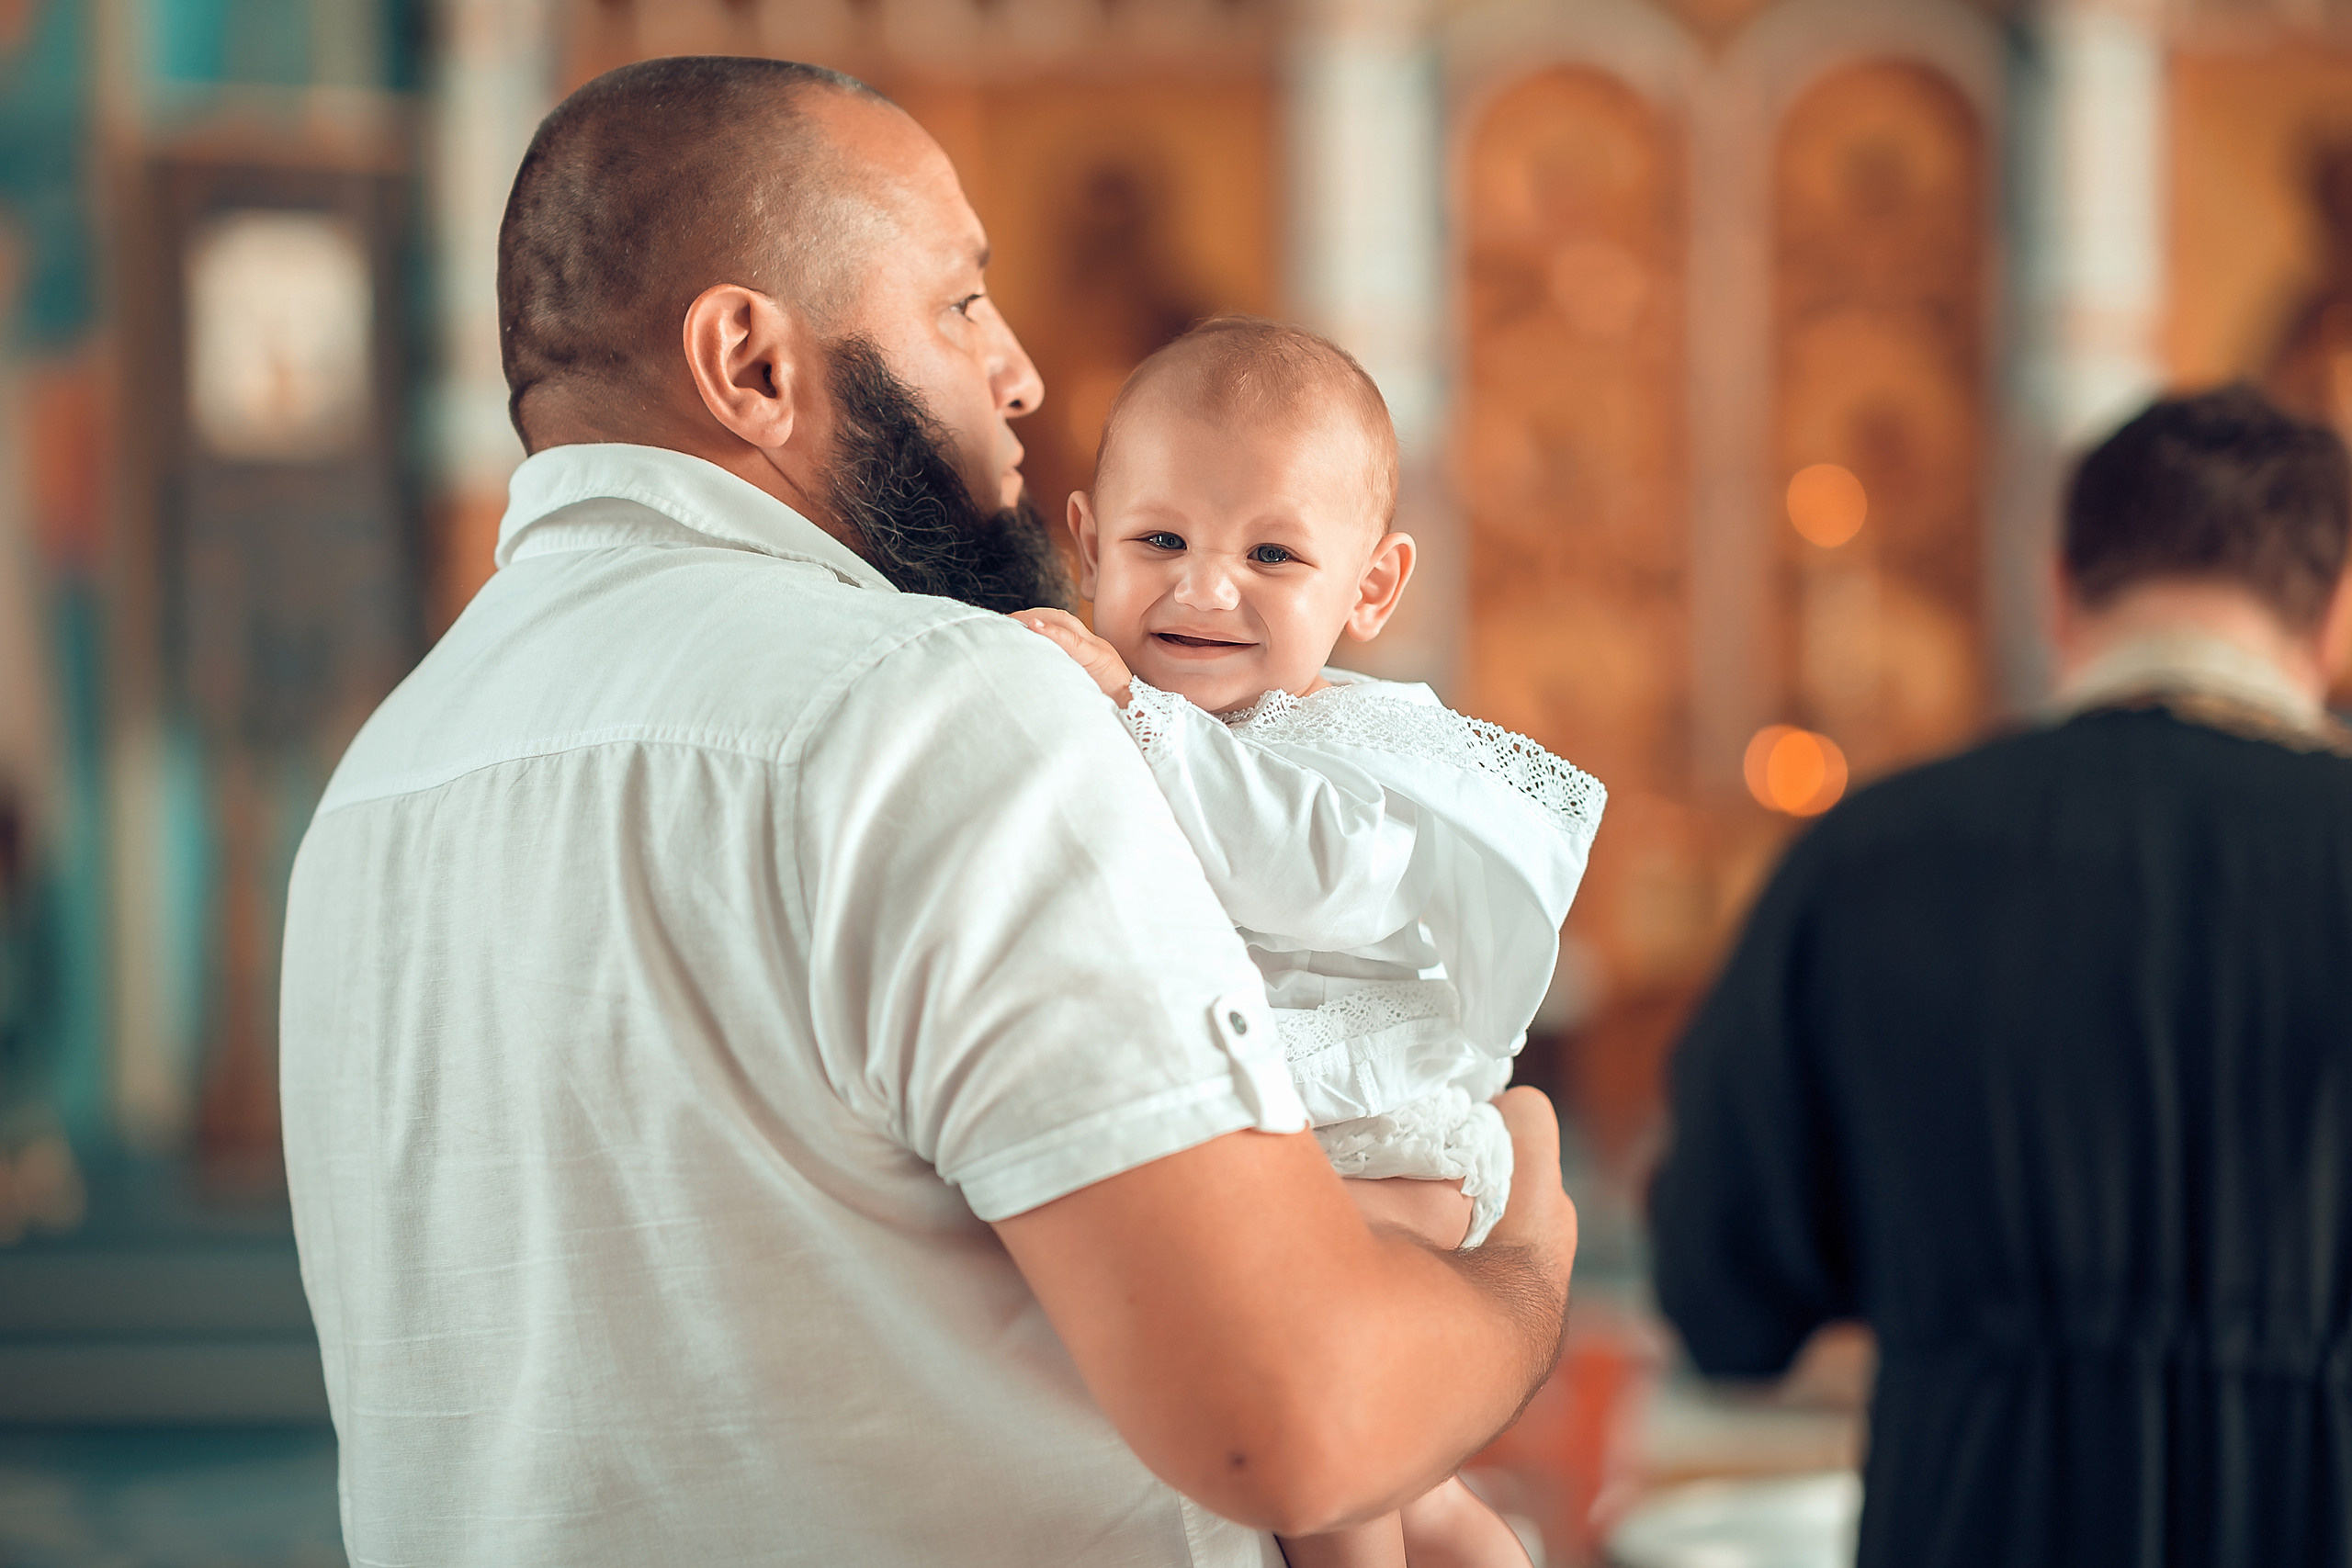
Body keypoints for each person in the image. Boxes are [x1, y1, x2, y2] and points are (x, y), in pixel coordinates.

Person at [277, 56, 1578, 1568]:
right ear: (751, 364)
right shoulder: (938, 710)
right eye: (963, 304)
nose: (1022, 372)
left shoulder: (381, 778)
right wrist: (1527, 1277)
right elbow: (1290, 1422)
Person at [1648, 383, 2352, 1568]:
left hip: (1980, 1518)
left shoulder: (1868, 860)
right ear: (2336, 617)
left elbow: (1723, 1296)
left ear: (2059, 590)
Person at [1016, 318, 1604, 1567]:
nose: (1203, 587)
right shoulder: (1152, 732)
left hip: (1375, 1141)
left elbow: (1307, 873)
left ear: (1372, 587)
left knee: (1318, 1435)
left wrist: (1126, 712)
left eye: (1271, 552)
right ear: (1084, 543)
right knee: (1413, 1486)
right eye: (1159, 540)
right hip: (1299, 1144)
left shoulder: (1346, 749)